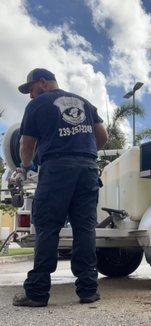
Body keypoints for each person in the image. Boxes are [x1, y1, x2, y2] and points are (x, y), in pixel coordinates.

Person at [13, 68, 108, 307]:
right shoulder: (84, 102)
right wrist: (84, 152)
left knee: (48, 227)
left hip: (57, 169)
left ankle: (37, 293)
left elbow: (26, 144)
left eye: (31, 90)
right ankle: (88, 290)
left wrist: (24, 167)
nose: (31, 96)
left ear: (43, 83)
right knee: (85, 228)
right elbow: (103, 135)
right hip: (87, 169)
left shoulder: (38, 105)